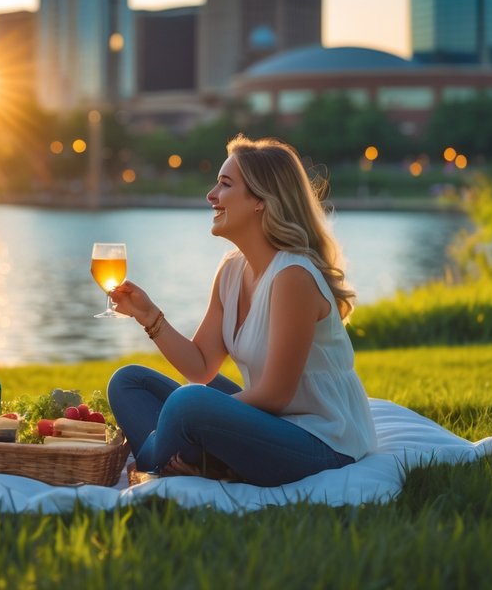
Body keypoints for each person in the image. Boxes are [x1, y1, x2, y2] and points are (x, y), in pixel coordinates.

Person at [107, 135, 377, 486]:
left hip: (323, 442)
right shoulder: (232, 269)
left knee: (188, 405)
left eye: (225, 184)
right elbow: (201, 366)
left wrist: (205, 414)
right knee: (129, 381)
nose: (211, 195)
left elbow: (276, 395)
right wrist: (148, 315)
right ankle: (194, 459)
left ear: (260, 202)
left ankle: (161, 464)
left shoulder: (292, 276)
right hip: (274, 425)